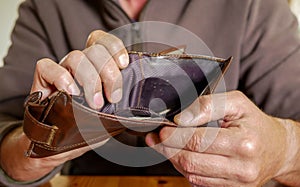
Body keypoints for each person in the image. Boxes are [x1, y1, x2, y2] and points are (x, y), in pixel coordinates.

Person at [0, 0, 299, 186]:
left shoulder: (254, 5)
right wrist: (43, 139)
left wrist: (284, 150)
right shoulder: (45, 8)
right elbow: (6, 140)